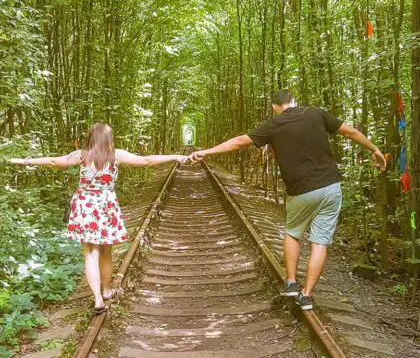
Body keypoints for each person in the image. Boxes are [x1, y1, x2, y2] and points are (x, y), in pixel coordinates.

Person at [189, 89, 386, 310]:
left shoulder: (273, 125)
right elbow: (349, 132)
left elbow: (239, 142)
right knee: (320, 242)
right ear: (293, 101)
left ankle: (291, 282)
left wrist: (207, 152)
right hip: (331, 187)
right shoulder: (317, 114)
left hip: (301, 190)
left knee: (293, 233)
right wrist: (375, 149)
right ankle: (307, 295)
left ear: (275, 106)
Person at [10, 122, 186, 314]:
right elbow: (145, 160)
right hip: (106, 204)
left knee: (90, 253)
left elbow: (54, 161)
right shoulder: (116, 155)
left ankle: (97, 299)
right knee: (106, 251)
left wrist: (25, 161)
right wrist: (175, 156)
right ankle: (107, 289)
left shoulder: (82, 155)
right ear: (109, 138)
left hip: (85, 204)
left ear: (91, 136)